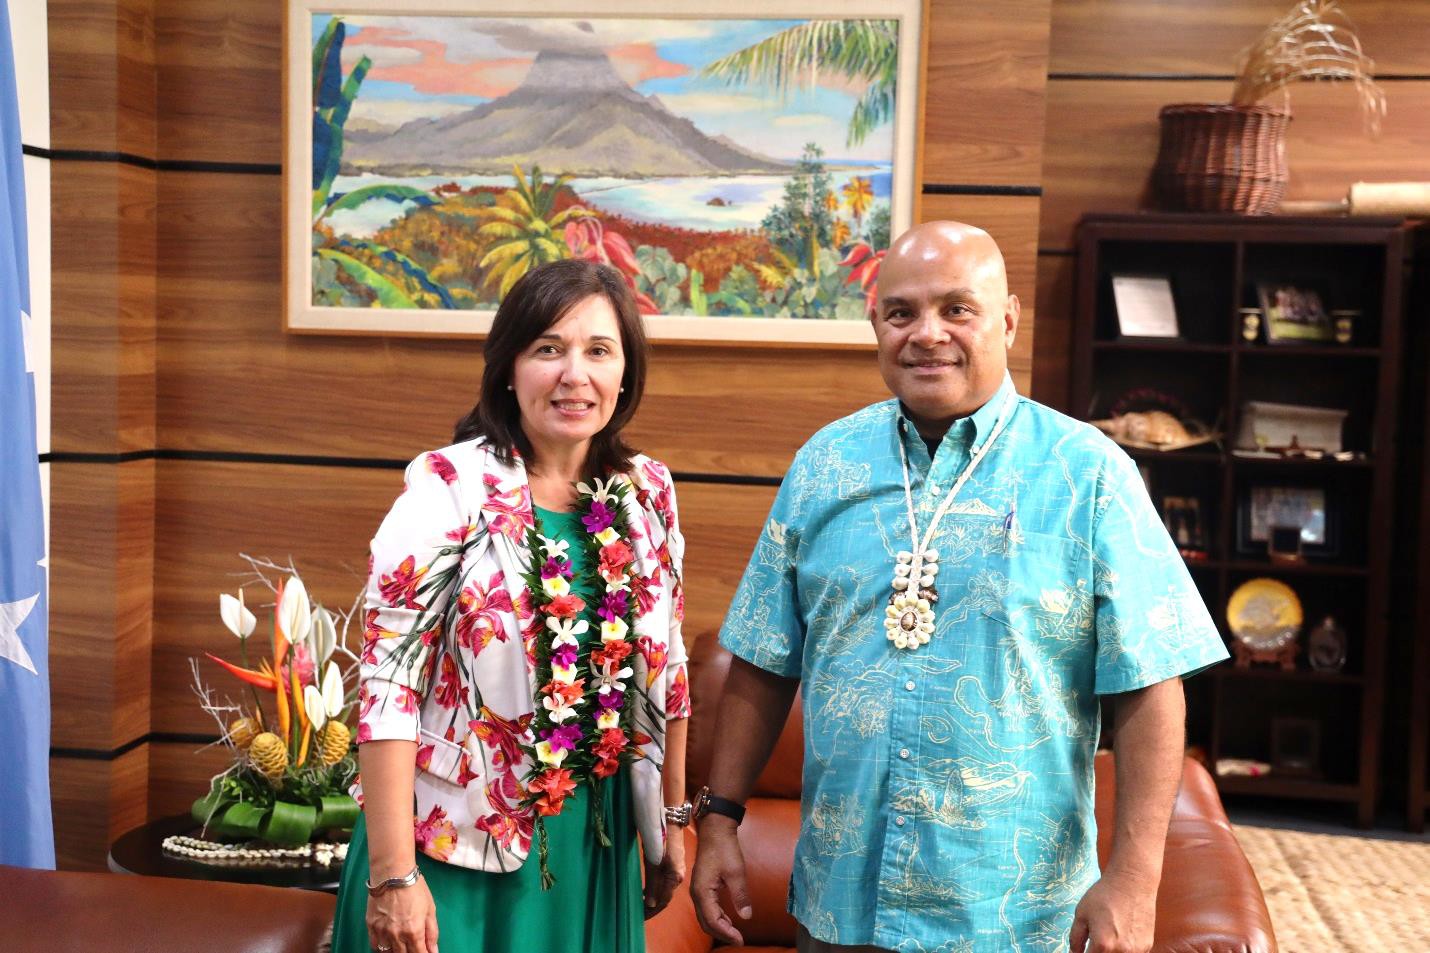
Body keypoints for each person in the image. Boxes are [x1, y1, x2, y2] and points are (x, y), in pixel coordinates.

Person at [690, 222, 1228, 953]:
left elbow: (1150, 685)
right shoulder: (825, 465)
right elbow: (763, 658)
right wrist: (718, 819)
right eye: (902, 312)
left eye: (957, 309)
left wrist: (1134, 877)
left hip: (1013, 916)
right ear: (876, 323)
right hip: (841, 905)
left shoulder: (1090, 474)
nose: (927, 334)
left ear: (1007, 318)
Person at [331, 259, 693, 953]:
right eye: (548, 349)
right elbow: (388, 687)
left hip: (594, 838)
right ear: (508, 366)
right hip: (450, 849)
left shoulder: (647, 490)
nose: (574, 374)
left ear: (626, 373)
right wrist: (392, 876)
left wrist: (670, 821)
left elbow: (668, 666)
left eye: (598, 350)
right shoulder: (448, 487)